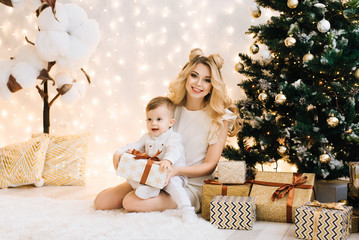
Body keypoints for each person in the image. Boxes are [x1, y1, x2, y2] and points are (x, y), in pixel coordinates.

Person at [94, 48, 240, 217]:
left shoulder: (219, 117)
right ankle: (146, 191)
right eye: (194, 76)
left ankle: (174, 202)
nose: (198, 84)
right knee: (101, 201)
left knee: (130, 202)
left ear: (212, 85)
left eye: (206, 80)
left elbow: (209, 165)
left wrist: (176, 171)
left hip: (189, 185)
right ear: (186, 76)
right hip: (157, 176)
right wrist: (122, 154)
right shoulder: (171, 108)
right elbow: (152, 140)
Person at [115, 96, 197, 222]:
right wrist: (120, 152)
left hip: (170, 174)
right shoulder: (147, 137)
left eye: (159, 119)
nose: (153, 123)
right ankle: (148, 190)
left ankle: (187, 209)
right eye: (149, 119)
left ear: (170, 122)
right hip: (153, 174)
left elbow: (174, 150)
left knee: (174, 186)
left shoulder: (173, 137)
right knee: (134, 174)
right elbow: (136, 145)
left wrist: (167, 160)